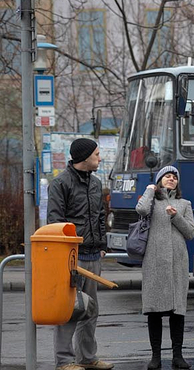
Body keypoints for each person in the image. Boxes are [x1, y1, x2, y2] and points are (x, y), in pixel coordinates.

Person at [48, 138, 113, 370]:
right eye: (97, 154)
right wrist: (65, 256)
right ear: (84, 157)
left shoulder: (95, 183)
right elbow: (55, 222)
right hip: (72, 257)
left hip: (94, 254)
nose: (100, 157)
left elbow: (99, 217)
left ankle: (87, 357)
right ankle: (64, 361)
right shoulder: (61, 183)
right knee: (70, 309)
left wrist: (103, 244)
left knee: (91, 309)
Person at [136, 166, 194, 369]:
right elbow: (141, 210)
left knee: (177, 311)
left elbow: (190, 233)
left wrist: (175, 216)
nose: (171, 179)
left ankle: (177, 356)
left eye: (174, 177)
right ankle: (155, 357)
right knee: (154, 311)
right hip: (154, 262)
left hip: (178, 263)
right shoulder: (151, 201)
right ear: (159, 180)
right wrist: (150, 190)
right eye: (167, 177)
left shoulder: (185, 204)